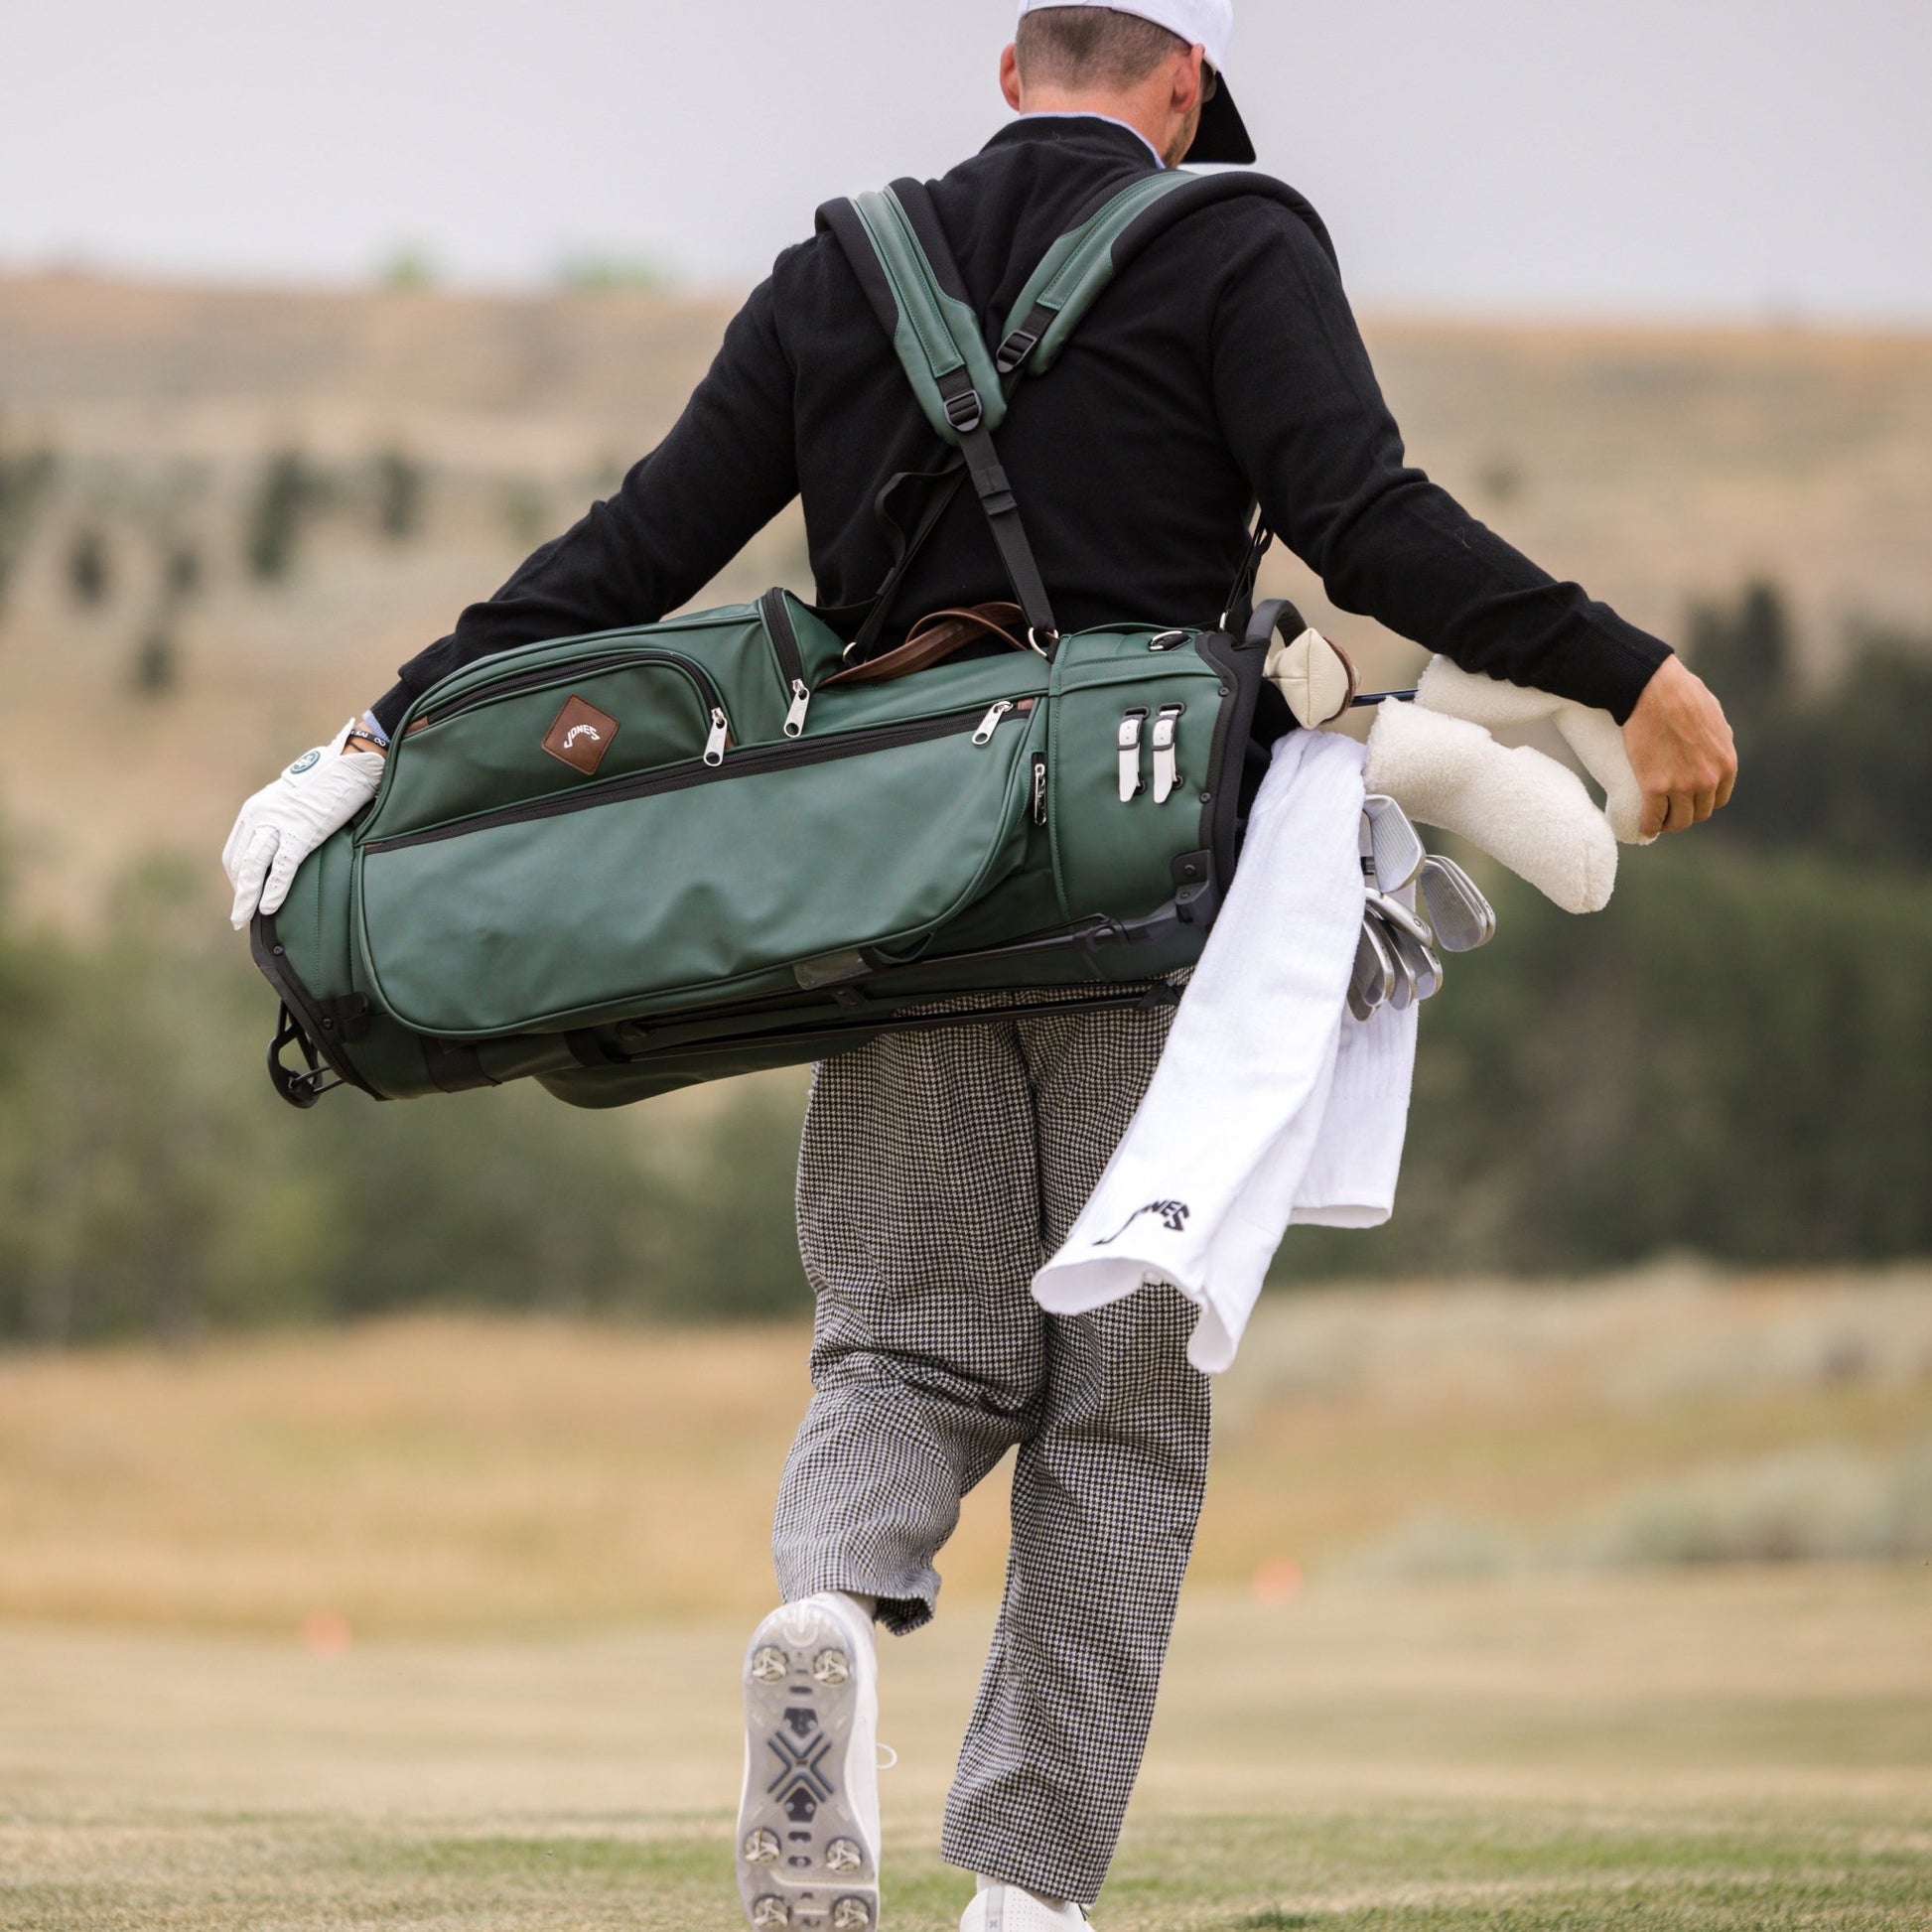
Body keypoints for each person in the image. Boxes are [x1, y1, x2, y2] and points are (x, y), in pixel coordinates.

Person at [222, 3, 1738, 1926]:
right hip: (1143, 905)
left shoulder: (841, 267)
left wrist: (376, 734)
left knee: (900, 1345)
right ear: (1183, 88)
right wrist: (1627, 668)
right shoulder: (1233, 236)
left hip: (891, 913)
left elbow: (629, 555)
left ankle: (828, 1612)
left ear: (1012, 72)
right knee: (1117, 1411)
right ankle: (1025, 1895)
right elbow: (1367, 527)